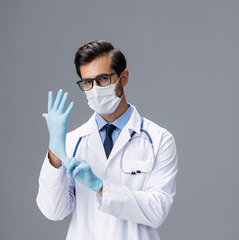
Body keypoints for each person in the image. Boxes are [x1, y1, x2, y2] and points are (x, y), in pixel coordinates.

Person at [36, 40, 178, 240]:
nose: (95, 89)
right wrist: (55, 152)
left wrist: (99, 186)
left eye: (103, 79)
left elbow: (157, 211)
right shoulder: (72, 142)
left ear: (124, 77)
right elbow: (53, 211)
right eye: (87, 82)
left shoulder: (159, 140)